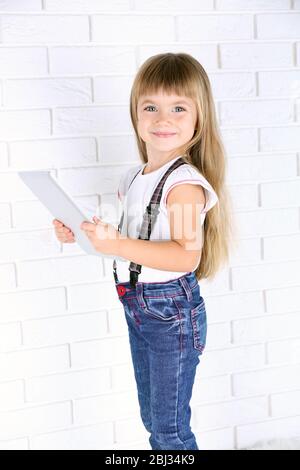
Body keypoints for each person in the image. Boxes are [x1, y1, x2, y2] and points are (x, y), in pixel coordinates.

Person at [53, 52, 237, 450]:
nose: (162, 119)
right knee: (153, 418)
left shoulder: (183, 184)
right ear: (136, 115)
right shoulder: (134, 177)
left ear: (199, 119)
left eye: (178, 108)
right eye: (150, 106)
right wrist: (85, 234)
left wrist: (116, 243)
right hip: (139, 305)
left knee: (170, 432)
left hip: (169, 311)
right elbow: (137, 239)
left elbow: (185, 256)